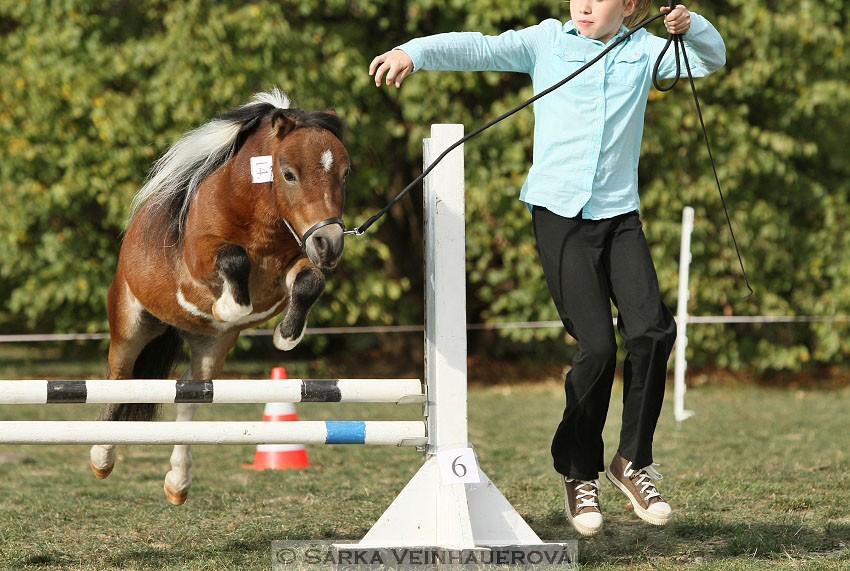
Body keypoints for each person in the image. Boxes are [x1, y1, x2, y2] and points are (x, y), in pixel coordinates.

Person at [369, 0, 725, 537]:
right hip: (559, 217)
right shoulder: (545, 42)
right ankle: (578, 473)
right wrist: (413, 52)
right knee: (598, 348)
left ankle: (632, 461)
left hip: (620, 216)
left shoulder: (646, 50)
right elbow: (478, 47)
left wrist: (691, 25)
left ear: (629, 6)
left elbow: (709, 59)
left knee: (653, 330)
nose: (582, 5)